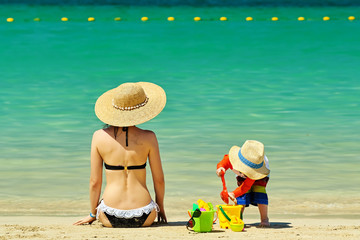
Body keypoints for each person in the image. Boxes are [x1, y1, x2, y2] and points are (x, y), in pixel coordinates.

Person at [74, 82, 167, 227]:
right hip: (145, 214)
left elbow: (94, 182)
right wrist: (160, 208)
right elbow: (159, 180)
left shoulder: (98, 137)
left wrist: (93, 214)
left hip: (109, 215)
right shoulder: (149, 137)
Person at [216, 140, 270, 227]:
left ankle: (264, 219)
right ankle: (239, 218)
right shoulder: (232, 159)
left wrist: (234, 193)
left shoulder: (256, 164)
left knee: (260, 192)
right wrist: (220, 168)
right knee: (242, 196)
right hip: (242, 175)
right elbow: (223, 163)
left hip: (260, 174)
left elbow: (246, 186)